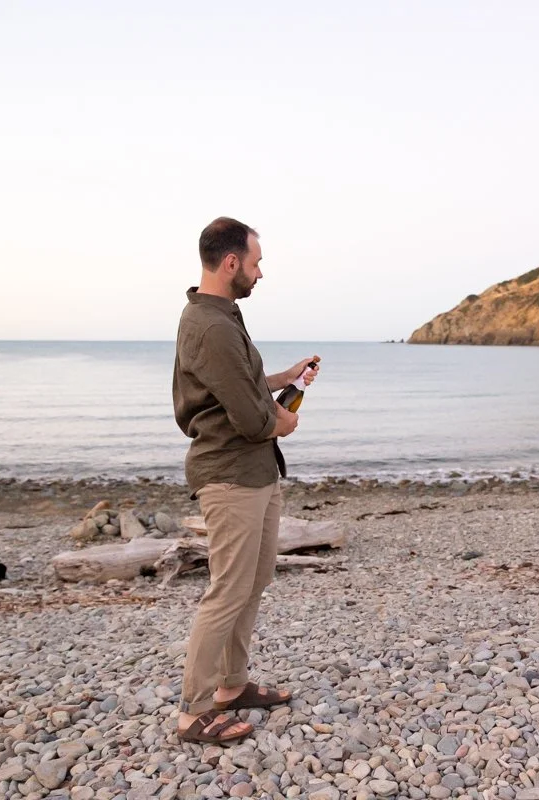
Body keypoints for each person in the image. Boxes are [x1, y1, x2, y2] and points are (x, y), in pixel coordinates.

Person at [171, 216, 320, 743]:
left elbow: (241, 382)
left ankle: (231, 687)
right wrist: (286, 419)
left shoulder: (221, 317)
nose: (260, 273)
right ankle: (193, 711)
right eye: (256, 263)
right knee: (227, 590)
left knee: (253, 581)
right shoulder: (210, 326)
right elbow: (254, 418)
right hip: (230, 474)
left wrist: (284, 378)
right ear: (231, 262)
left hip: (255, 473)